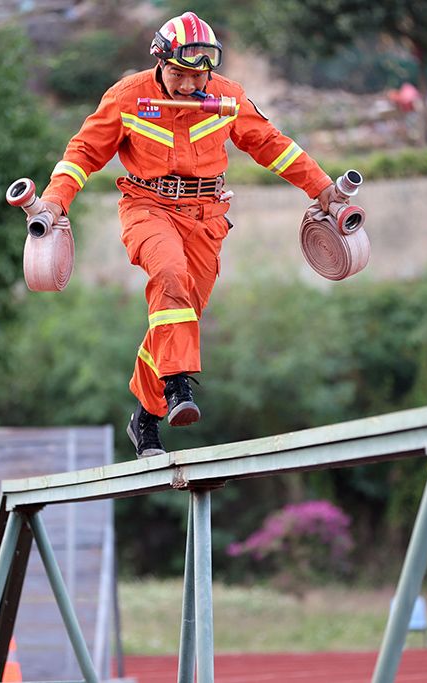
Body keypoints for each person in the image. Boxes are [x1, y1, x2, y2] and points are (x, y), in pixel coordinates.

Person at [37, 11, 341, 458]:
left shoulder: (226, 98)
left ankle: (145, 418)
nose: (187, 88)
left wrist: (324, 189)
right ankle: (178, 387)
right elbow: (83, 152)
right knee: (170, 275)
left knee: (177, 316)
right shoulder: (127, 97)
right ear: (160, 62)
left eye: (197, 78)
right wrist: (54, 201)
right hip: (147, 207)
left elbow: (271, 144)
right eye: (179, 75)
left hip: (206, 217)